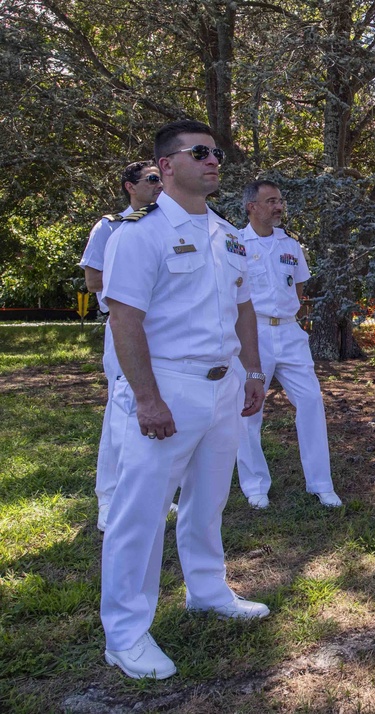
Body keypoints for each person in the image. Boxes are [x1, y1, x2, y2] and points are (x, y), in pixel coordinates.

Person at [100, 120, 270, 680]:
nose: (213, 160)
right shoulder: (139, 234)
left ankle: (208, 590)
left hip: (224, 385)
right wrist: (146, 398)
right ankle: (125, 633)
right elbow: (125, 319)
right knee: (141, 512)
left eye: (216, 152)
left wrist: (251, 370)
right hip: (168, 384)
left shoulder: (227, 234)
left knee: (209, 499)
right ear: (166, 165)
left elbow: (243, 308)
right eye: (200, 152)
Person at [234, 180, 341, 510]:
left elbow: (298, 289)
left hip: (290, 333)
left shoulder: (290, 244)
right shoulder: (235, 243)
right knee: (249, 410)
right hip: (253, 332)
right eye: (271, 201)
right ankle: (255, 485)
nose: (279, 206)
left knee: (311, 401)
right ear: (252, 207)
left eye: (280, 200)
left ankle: (321, 484)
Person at [79, 160, 162, 531]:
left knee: (159, 410)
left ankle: (151, 494)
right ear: (130, 186)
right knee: (121, 412)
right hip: (125, 328)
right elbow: (93, 280)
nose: (159, 185)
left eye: (161, 179)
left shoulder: (167, 226)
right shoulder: (110, 226)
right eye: (151, 179)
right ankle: (109, 498)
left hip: (163, 332)